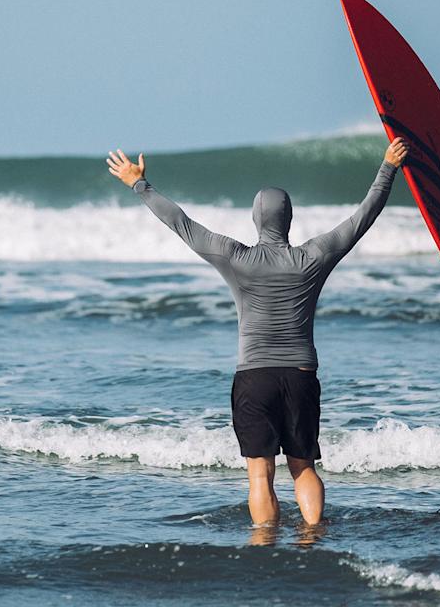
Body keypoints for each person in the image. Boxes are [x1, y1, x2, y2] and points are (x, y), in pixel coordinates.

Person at [106, 137, 409, 527]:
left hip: (254, 377)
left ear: (255, 219)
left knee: (259, 474)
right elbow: (363, 217)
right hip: (300, 375)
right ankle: (312, 536)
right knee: (303, 467)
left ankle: (265, 540)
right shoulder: (313, 256)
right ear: (289, 219)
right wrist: (388, 167)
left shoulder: (235, 257)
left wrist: (139, 184)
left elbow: (181, 223)